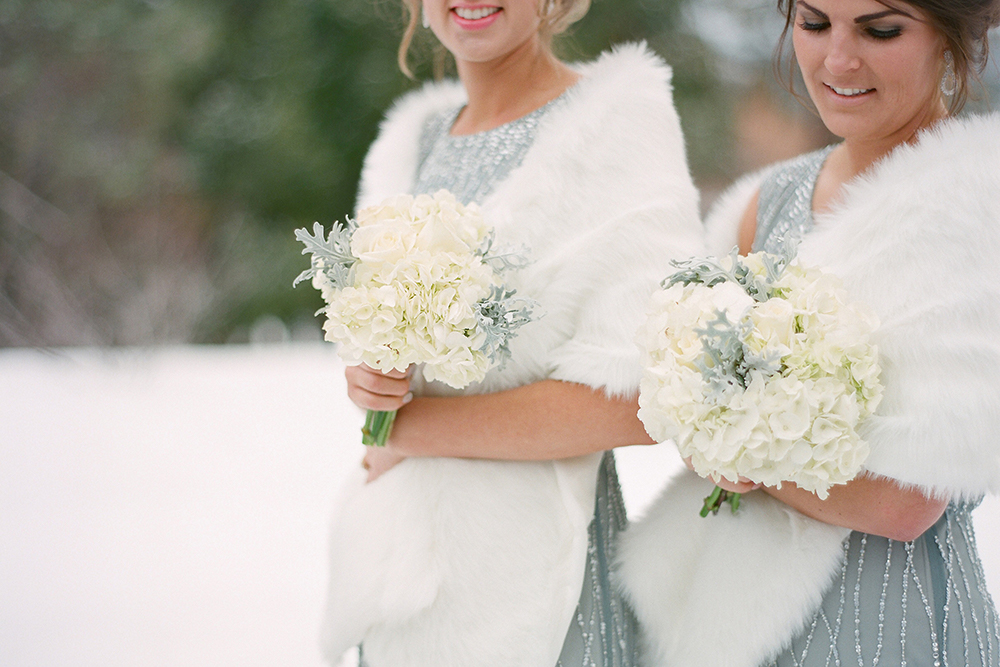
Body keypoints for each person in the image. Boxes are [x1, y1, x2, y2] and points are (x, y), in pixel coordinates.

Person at [319, 2, 703, 666]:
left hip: (542, 585)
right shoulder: (415, 142)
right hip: (406, 580)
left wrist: (411, 428)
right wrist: (372, 381)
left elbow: (643, 395)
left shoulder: (615, 125)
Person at [617, 1, 1000, 666]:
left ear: (952, 38)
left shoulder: (972, 207)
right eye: (815, 25)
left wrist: (732, 448)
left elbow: (904, 504)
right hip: (738, 609)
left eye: (881, 30)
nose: (839, 60)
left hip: (888, 621)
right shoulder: (774, 199)